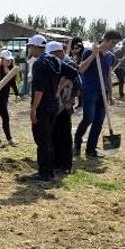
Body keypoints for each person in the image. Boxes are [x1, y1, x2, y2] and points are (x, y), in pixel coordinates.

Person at [74, 30, 122, 157]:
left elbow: (108, 76)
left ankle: (91, 150)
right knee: (88, 118)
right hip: (90, 90)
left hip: (103, 92)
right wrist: (93, 56)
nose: (114, 45)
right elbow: (81, 68)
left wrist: (110, 95)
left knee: (98, 121)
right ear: (105, 39)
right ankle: (77, 143)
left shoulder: (110, 56)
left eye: (116, 43)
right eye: (113, 42)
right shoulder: (89, 51)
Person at [29, 41, 64, 181]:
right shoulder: (55, 60)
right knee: (48, 138)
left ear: (36, 47)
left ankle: (44, 172)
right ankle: (49, 170)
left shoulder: (39, 64)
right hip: (53, 103)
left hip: (43, 106)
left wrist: (33, 109)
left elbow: (39, 90)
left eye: (31, 46)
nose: (29, 49)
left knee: (41, 139)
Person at [52, 43, 80, 175]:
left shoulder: (69, 63)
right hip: (57, 104)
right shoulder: (59, 62)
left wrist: (59, 89)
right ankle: (57, 163)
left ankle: (65, 164)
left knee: (63, 134)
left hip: (64, 104)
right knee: (55, 133)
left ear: (57, 52)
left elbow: (74, 81)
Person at [0, 50, 19, 146]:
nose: (9, 62)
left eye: (10, 60)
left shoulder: (10, 69)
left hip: (5, 96)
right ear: (1, 60)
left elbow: (13, 83)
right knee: (5, 117)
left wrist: (16, 94)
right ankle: (9, 139)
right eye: (7, 60)